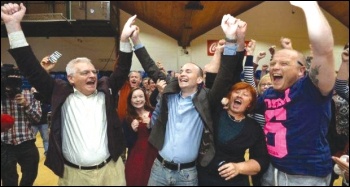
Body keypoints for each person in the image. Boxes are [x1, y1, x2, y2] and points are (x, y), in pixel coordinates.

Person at [1, 3, 136, 185]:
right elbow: (30, 68)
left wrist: (124, 40)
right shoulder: (60, 93)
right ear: (71, 78)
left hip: (111, 172)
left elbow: (122, 70)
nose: (92, 75)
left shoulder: (106, 90)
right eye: (85, 72)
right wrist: (12, 25)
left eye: (93, 72)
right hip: (74, 176)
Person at [130, 14, 246, 186]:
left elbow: (226, 74)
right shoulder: (170, 91)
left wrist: (230, 38)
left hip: (187, 174)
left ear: (200, 80)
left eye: (189, 71)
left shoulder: (207, 99)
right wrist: (136, 40)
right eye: (182, 70)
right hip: (159, 168)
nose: (183, 73)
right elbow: (151, 68)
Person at [256, 2, 336, 186]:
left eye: (284, 64)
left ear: (301, 71)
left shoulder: (310, 90)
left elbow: (324, 51)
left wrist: (309, 6)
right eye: (274, 62)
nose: (275, 66)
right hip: (271, 170)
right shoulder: (269, 94)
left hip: (305, 177)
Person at [197, 81, 269, 186]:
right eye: (237, 92)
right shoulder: (214, 113)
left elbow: (261, 160)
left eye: (245, 94)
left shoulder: (253, 128)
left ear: (249, 104)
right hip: (204, 178)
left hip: (233, 181)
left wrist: (238, 167)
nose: (240, 95)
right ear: (229, 96)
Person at [1, 64, 42, 186]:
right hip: (5, 145)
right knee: (8, 180)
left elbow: (38, 118)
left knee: (30, 175)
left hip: (27, 143)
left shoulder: (29, 94)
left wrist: (27, 105)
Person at [122, 87, 158, 186]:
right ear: (130, 100)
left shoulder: (154, 113)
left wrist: (151, 125)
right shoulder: (127, 119)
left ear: (145, 98)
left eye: (141, 96)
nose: (138, 100)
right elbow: (127, 143)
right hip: (136, 157)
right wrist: (133, 130)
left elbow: (161, 134)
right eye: (135, 97)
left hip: (154, 155)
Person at [31, 87, 51, 156]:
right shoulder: (31, 100)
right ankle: (31, 154)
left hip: (43, 122)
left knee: (46, 139)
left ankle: (47, 152)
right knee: (30, 140)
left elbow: (47, 109)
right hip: (33, 123)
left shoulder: (44, 100)